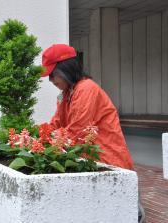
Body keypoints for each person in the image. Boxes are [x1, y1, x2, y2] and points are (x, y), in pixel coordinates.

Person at [41, 44, 144, 222]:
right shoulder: (67, 94)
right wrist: (37, 135)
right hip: (93, 162)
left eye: (52, 74)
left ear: (65, 69)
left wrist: (47, 142)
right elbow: (56, 124)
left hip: (109, 161)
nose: (51, 80)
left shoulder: (86, 89)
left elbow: (77, 132)